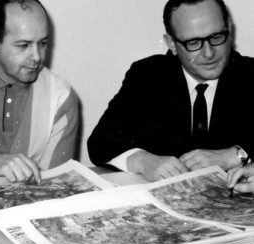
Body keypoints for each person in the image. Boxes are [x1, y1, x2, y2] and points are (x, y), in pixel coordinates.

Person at [88, 0, 254, 182]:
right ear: (172, 44)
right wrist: (143, 161)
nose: (209, 53)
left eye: (216, 37)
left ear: (228, 29)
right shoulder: (147, 75)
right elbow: (99, 144)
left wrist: (234, 155)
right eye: (193, 42)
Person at [0, 0, 79, 183]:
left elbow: (55, 185)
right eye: (23, 45)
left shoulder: (62, 98)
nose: (37, 57)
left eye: (43, 43)